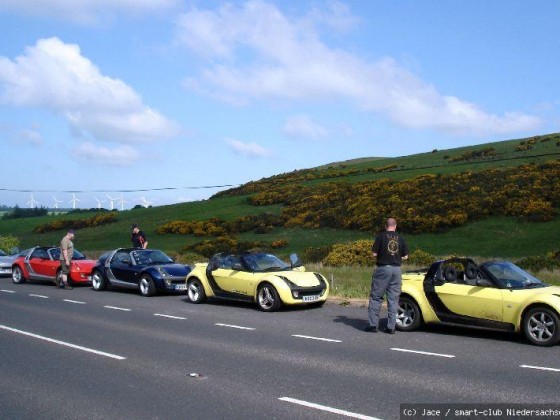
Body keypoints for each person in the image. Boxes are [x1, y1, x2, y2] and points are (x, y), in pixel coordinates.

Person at [365, 218, 409, 334]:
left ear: (386, 226)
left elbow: (374, 253)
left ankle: (373, 325)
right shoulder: (401, 238)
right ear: (395, 226)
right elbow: (405, 256)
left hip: (383, 269)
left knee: (376, 297)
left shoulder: (381, 236)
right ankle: (391, 327)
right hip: (396, 270)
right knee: (393, 299)